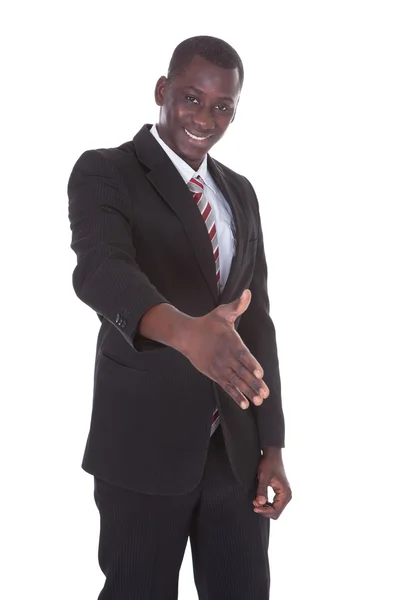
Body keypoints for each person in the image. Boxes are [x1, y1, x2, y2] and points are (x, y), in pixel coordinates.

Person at [67, 35, 292, 600]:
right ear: (163, 90)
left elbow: (257, 321)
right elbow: (103, 272)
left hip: (234, 456)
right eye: (192, 98)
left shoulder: (239, 192)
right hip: (143, 447)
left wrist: (272, 447)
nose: (205, 119)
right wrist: (189, 335)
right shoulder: (107, 172)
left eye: (223, 107)